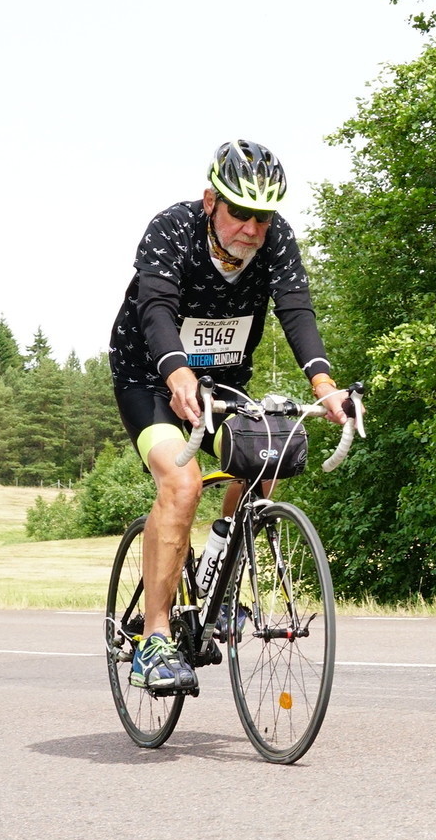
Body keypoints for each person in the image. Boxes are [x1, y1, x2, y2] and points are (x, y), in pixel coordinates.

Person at [106, 140, 348, 695]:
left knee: (267, 457)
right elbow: (156, 308)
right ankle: (155, 639)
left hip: (222, 383)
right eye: (240, 212)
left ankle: (218, 574)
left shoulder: (275, 239)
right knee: (182, 484)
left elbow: (296, 310)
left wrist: (324, 385)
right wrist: (176, 371)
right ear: (211, 200)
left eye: (263, 217)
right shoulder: (172, 229)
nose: (252, 229)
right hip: (149, 378)